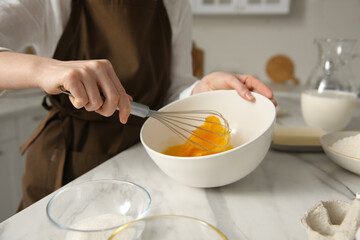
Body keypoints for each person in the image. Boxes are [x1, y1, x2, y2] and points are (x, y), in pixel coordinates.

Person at [0, 0, 276, 210]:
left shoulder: (173, 4)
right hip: (67, 167)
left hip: (146, 163)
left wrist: (201, 90)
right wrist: (43, 70)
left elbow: (174, 89)